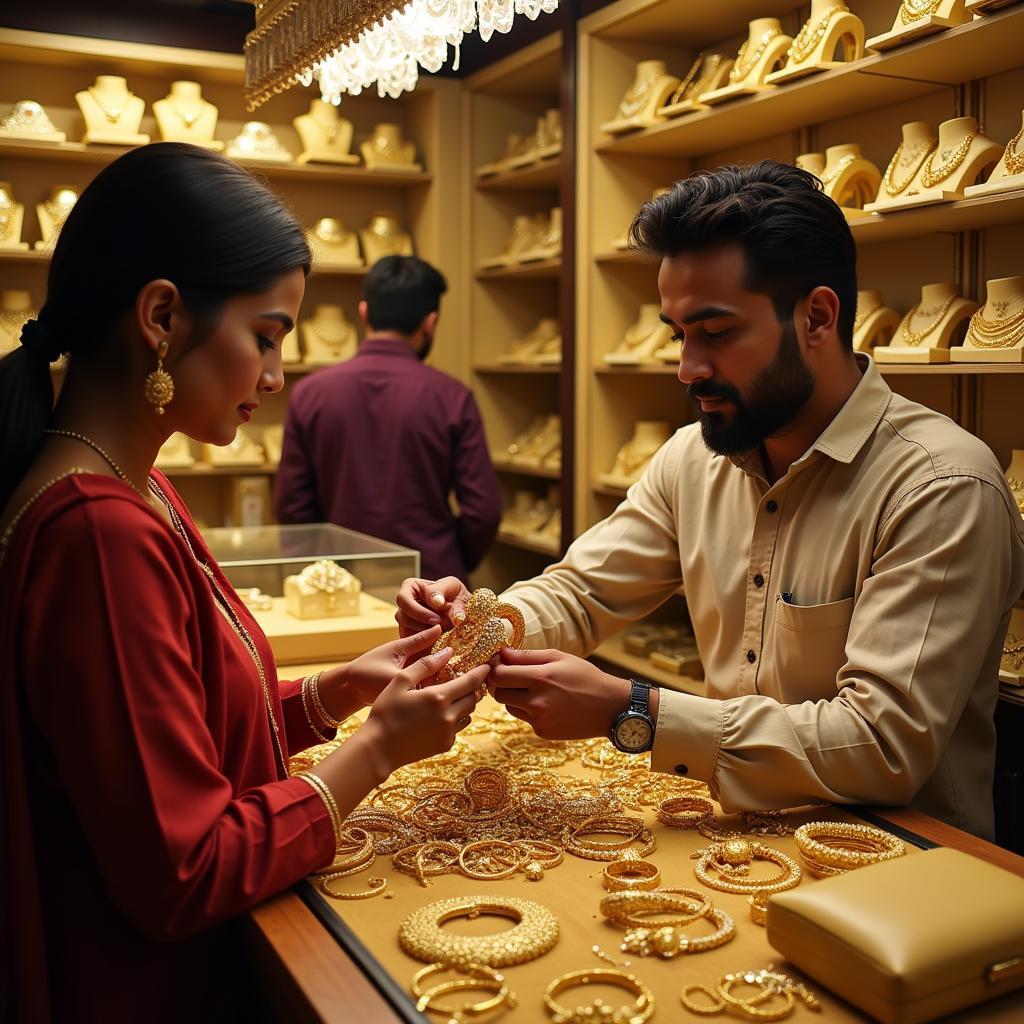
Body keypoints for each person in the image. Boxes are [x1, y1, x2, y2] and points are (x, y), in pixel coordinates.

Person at [0, 143, 488, 1022]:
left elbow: (175, 738)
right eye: (264, 338)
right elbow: (182, 871)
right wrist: (376, 751)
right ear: (161, 317)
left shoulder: (134, 485)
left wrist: (336, 695)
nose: (277, 376)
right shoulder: (99, 531)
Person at [397, 160, 1024, 841]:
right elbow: (582, 594)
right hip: (735, 842)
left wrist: (632, 712)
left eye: (716, 333)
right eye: (677, 333)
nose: (686, 368)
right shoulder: (693, 458)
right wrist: (484, 623)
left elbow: (881, 744)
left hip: (903, 871)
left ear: (817, 316)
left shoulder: (941, 486)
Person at [274, 255, 501, 583]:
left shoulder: (310, 393)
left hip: (342, 585)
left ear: (364, 313)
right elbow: (484, 511)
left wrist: (313, 576)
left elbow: (293, 508)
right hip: (432, 587)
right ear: (430, 323)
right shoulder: (451, 397)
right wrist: (450, 557)